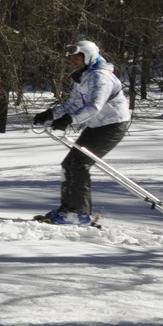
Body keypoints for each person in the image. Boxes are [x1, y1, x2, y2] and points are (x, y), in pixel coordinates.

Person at [31, 39, 131, 225]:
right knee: (69, 163)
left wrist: (69, 120)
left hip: (113, 125)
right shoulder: (84, 76)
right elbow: (73, 103)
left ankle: (79, 213)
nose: (73, 60)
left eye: (78, 57)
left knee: (78, 164)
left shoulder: (101, 77)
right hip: (97, 126)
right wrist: (50, 114)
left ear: (89, 56)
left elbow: (95, 106)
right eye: (72, 57)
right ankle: (68, 209)